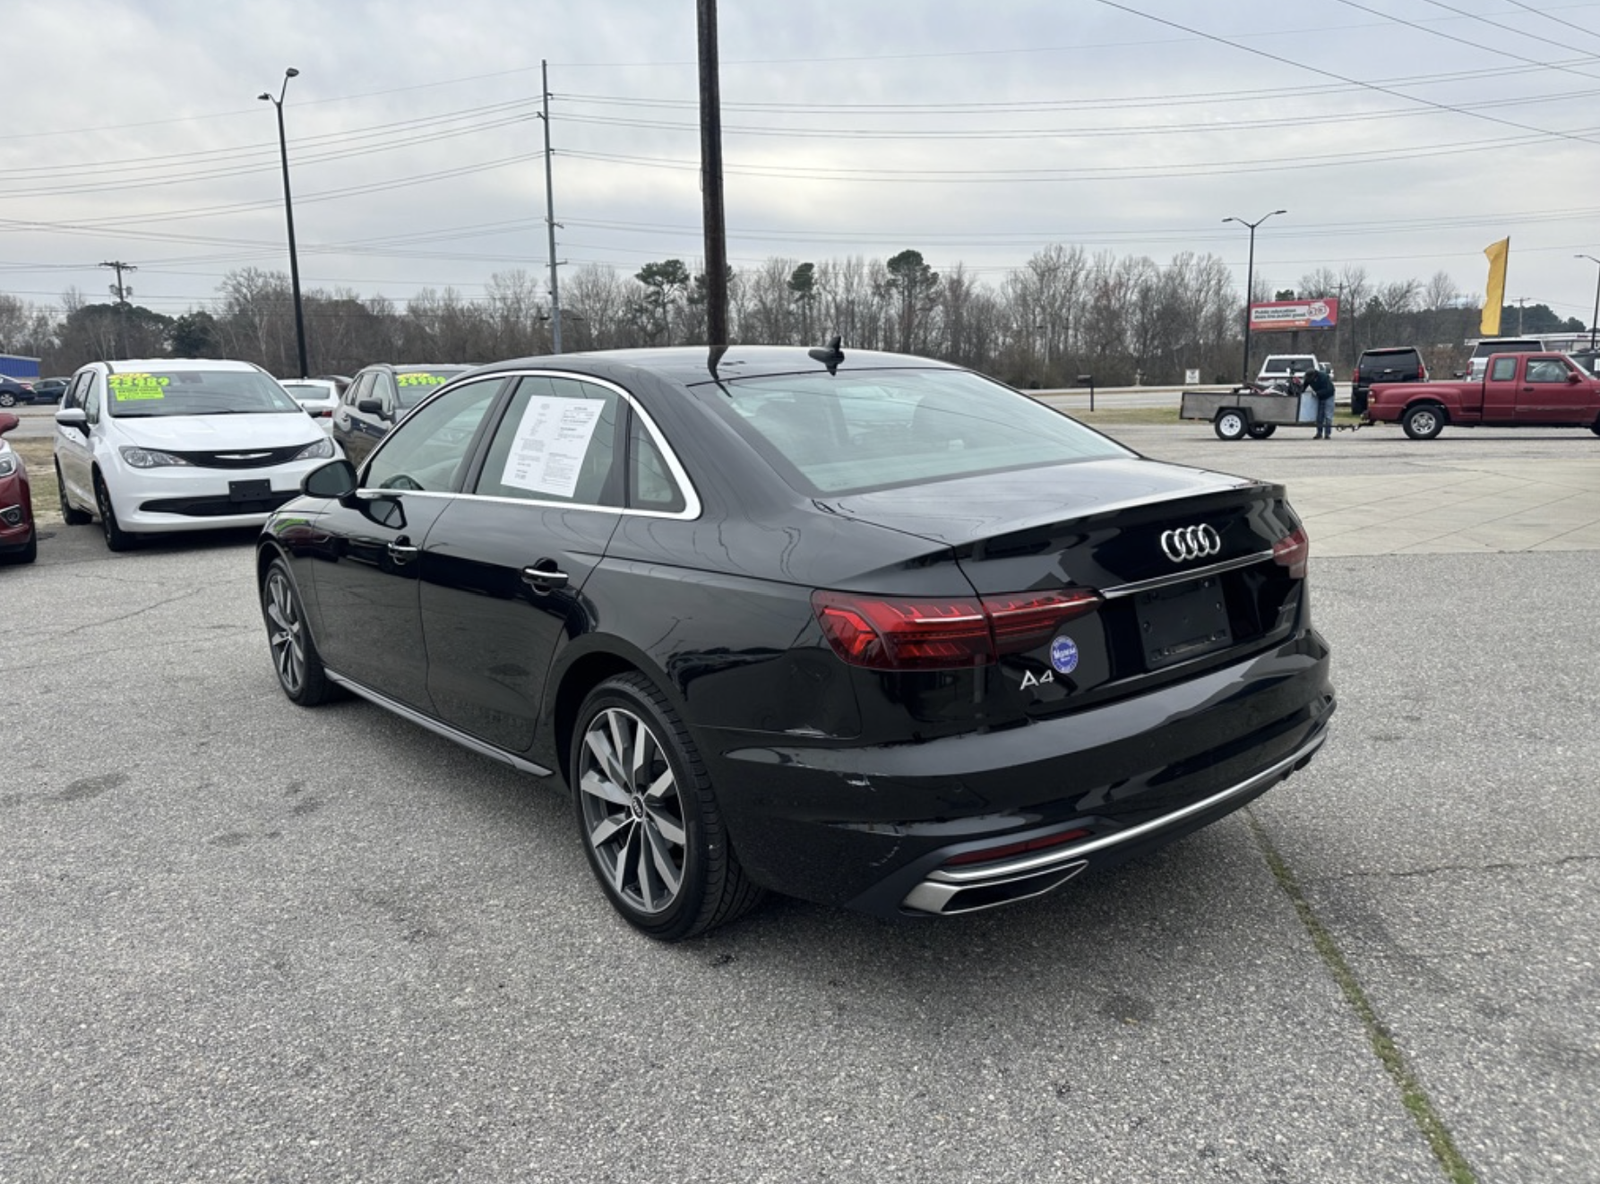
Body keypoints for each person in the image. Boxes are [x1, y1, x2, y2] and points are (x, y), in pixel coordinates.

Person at [1302, 365, 1337, 438]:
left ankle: (1327, 434)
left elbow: (1328, 389)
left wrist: (1317, 393)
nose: (1309, 380)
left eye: (1309, 378)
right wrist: (1300, 392)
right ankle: (1319, 433)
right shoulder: (1309, 379)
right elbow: (1303, 387)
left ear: (1314, 376)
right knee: (1319, 416)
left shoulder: (1323, 377)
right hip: (1320, 397)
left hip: (1329, 396)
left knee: (1328, 415)